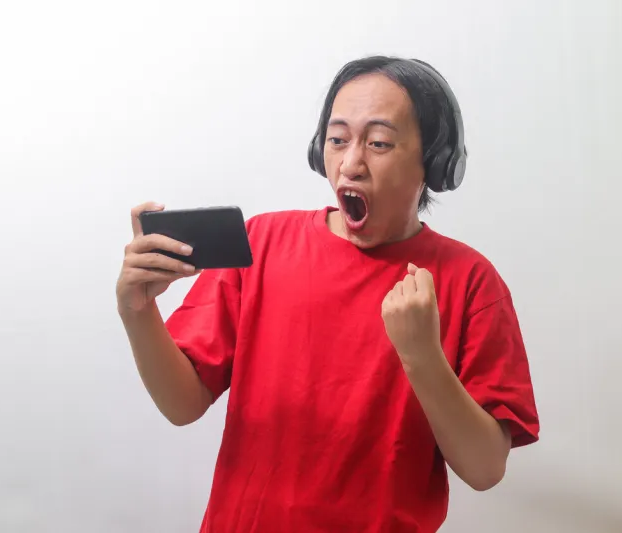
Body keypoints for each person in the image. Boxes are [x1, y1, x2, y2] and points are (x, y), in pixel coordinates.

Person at [116, 56, 540, 533]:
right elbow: (182, 404)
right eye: (337, 140)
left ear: (435, 163)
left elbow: (484, 469)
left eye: (379, 143)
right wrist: (138, 312)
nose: (351, 163)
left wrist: (422, 356)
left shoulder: (471, 281)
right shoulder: (261, 245)